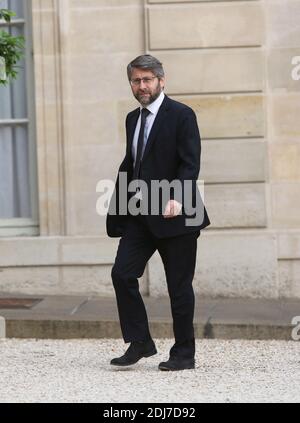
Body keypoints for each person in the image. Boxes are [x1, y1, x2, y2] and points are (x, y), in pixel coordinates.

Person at [106, 54, 210, 371]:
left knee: (178, 288)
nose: (142, 86)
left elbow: (190, 163)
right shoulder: (132, 119)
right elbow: (133, 163)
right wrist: (119, 205)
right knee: (122, 274)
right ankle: (140, 342)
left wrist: (177, 196)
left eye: (147, 79)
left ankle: (183, 354)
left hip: (176, 215)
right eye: (136, 80)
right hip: (141, 214)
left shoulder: (181, 115)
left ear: (161, 81)